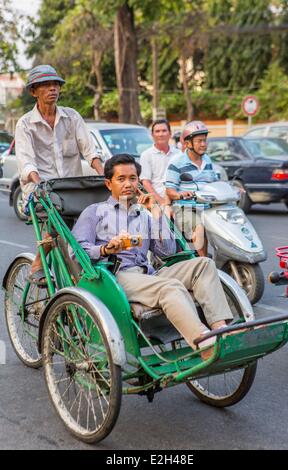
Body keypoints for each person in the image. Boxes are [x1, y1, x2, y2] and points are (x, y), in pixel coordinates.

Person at [72, 153, 238, 360]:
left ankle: (219, 327)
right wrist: (105, 249)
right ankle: (203, 342)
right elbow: (76, 253)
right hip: (115, 276)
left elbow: (167, 253)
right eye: (121, 179)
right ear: (108, 184)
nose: (128, 184)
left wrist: (156, 214)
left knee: (203, 264)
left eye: (132, 179)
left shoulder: (143, 214)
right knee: (171, 287)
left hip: (148, 274)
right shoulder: (94, 212)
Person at [15, 64, 104, 285]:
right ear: (34, 91)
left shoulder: (72, 117)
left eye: (55, 84)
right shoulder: (25, 124)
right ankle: (38, 262)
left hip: (70, 189)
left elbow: (90, 151)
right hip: (38, 190)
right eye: (46, 85)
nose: (52, 89)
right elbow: (27, 162)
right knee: (58, 216)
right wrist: (39, 183)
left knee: (100, 214)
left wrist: (106, 176)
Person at [165, 120, 220, 257]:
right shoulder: (177, 162)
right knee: (199, 227)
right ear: (188, 143)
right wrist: (181, 195)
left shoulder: (208, 160)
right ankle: (204, 262)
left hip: (208, 207)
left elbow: (215, 184)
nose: (203, 144)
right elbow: (170, 190)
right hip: (185, 208)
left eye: (205, 140)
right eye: (199, 141)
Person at [140, 119, 181, 206]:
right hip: (157, 202)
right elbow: (146, 182)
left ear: (170, 133)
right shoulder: (146, 155)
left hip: (178, 200)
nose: (161, 134)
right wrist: (161, 201)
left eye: (164, 131)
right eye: (157, 131)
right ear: (152, 135)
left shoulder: (179, 154)